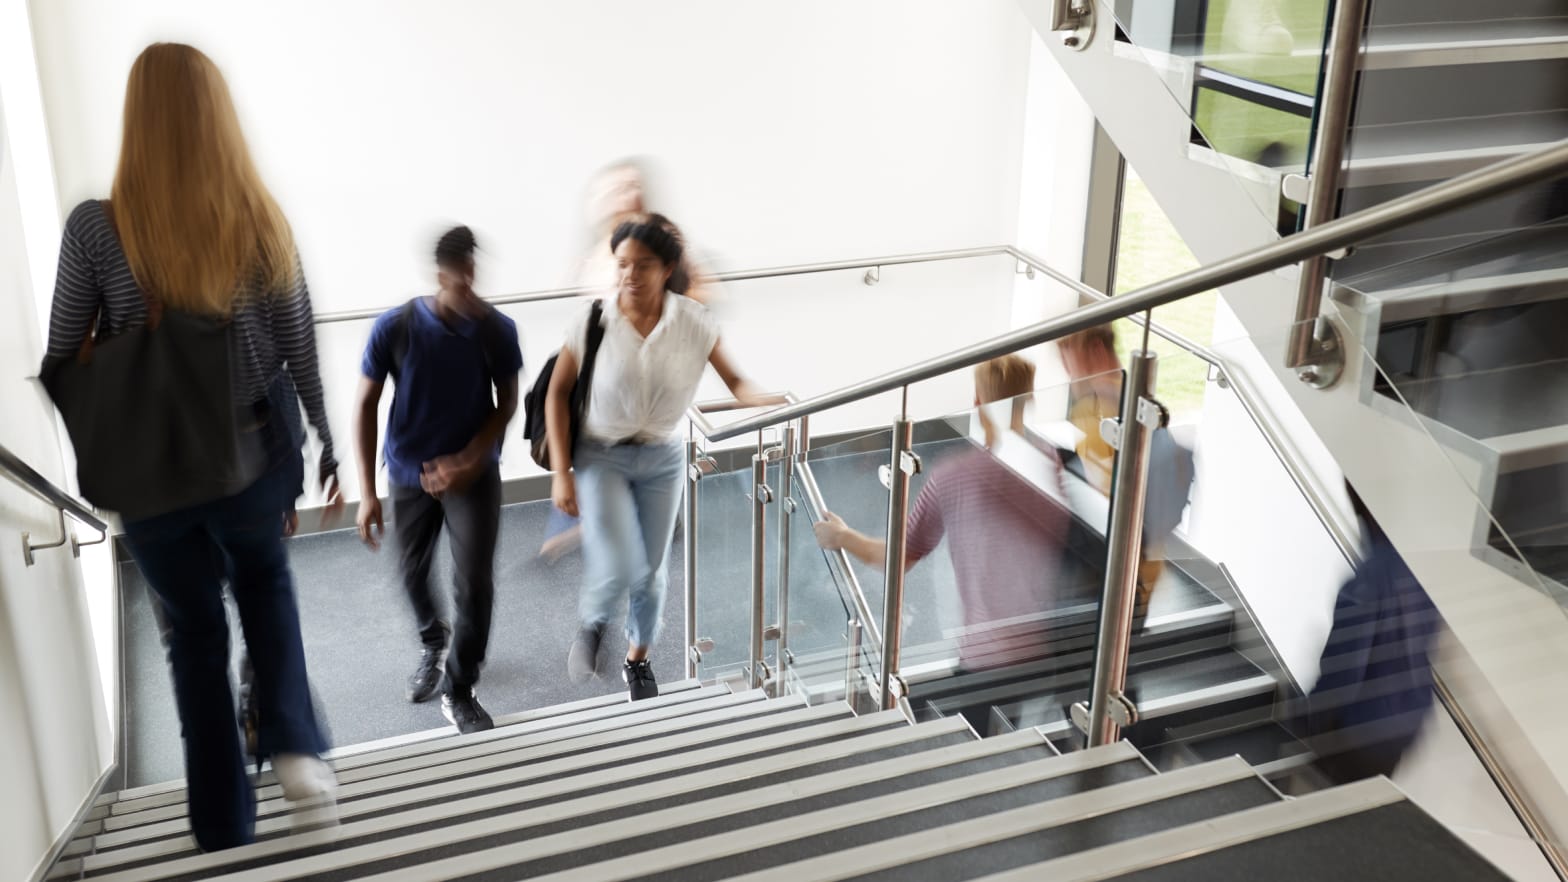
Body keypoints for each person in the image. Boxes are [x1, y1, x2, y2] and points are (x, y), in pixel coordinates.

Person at [43, 43, 343, 850]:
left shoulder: (95, 227)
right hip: (251, 452)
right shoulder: (257, 216)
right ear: (218, 116)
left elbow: (64, 352)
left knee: (193, 637)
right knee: (266, 590)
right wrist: (324, 437)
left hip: (151, 474)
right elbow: (297, 345)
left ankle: (220, 820)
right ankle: (295, 750)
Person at [547, 212, 770, 700]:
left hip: (662, 458)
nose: (629, 274)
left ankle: (637, 659)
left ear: (667, 269)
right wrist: (561, 473)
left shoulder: (693, 322)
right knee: (615, 557)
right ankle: (594, 619)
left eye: (642, 264)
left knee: (651, 573)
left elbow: (735, 381)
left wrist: (764, 400)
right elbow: (557, 392)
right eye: (622, 264)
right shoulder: (593, 320)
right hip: (601, 454)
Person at [354, 226, 522, 734]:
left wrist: (469, 459)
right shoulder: (396, 327)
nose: (467, 285)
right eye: (457, 277)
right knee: (410, 571)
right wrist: (367, 493)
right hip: (409, 470)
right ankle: (433, 639)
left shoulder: (496, 329)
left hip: (472, 474)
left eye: (472, 274)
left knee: (474, 581)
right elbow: (365, 405)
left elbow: (507, 402)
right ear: (439, 276)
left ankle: (460, 687)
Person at [814, 356, 1072, 687]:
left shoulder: (956, 476)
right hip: (1049, 652)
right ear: (1030, 399)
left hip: (988, 657)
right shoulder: (1050, 461)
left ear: (977, 402)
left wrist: (842, 536)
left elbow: (899, 559)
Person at [539, 159, 714, 564]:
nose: (627, 194)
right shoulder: (598, 251)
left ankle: (606, 523)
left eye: (632, 186)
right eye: (617, 188)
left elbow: (701, 291)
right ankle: (587, 521)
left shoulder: (662, 239)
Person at [1302, 485, 1439, 784]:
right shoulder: (1421, 569)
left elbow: (1345, 670)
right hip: (1407, 723)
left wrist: (1311, 721)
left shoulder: (1366, 582)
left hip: (1362, 731)